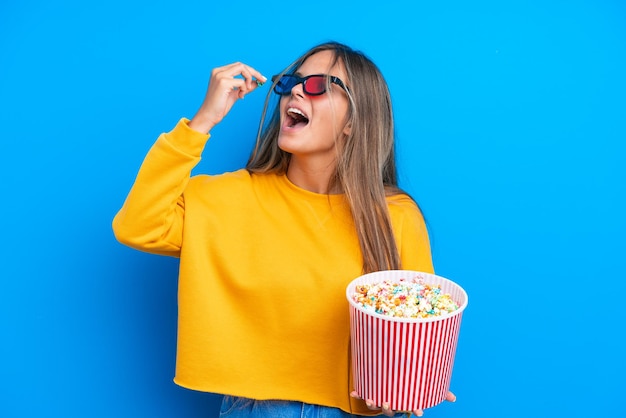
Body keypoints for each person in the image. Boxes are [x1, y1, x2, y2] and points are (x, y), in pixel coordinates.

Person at [112, 41, 455, 417]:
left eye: (319, 85)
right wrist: (202, 122)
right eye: (292, 81)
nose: (295, 89)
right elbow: (138, 226)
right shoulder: (228, 197)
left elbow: (417, 327)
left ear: (355, 121)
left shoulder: (394, 216)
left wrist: (409, 388)